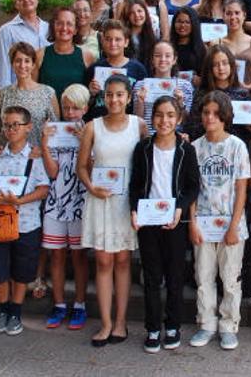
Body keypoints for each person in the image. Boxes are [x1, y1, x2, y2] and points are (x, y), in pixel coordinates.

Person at [78, 75, 146, 346]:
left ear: (129, 98)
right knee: (104, 261)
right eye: (109, 95)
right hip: (101, 199)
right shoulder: (92, 127)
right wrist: (91, 187)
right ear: (102, 97)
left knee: (122, 261)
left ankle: (121, 322)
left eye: (120, 95)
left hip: (126, 203)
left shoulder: (138, 125)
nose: (114, 100)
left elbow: (147, 162)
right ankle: (105, 323)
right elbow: (81, 166)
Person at [130, 95, 200, 353]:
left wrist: (180, 207)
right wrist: (134, 210)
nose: (164, 120)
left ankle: (172, 326)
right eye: (159, 114)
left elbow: (194, 187)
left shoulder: (186, 150)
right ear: (152, 118)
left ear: (179, 119)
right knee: (151, 277)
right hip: (148, 221)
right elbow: (135, 185)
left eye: (170, 115)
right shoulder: (144, 148)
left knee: (174, 277)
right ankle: (151, 328)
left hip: (175, 222)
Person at [188, 91, 251, 350]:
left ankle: (228, 325)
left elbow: (241, 189)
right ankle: (206, 324)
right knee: (203, 276)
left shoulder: (237, 146)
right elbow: (191, 189)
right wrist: (191, 222)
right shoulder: (194, 147)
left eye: (216, 113)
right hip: (202, 223)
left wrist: (234, 226)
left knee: (230, 277)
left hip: (230, 224)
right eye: (206, 113)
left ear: (225, 115)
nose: (210, 117)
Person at [0, 106, 51, 337]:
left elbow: (43, 189)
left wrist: (19, 200)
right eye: (7, 125)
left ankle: (16, 313)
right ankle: (3, 310)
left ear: (28, 127)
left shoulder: (35, 155)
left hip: (26, 222)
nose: (11, 129)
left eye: (16, 125)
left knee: (22, 270)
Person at [39, 84, 89, 331]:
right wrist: (46, 144)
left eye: (76, 108)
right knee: (56, 254)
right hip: (56, 200)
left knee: (79, 255)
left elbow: (94, 168)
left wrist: (86, 145)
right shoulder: (55, 131)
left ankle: (80, 304)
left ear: (85, 108)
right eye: (67, 107)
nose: (70, 113)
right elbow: (52, 171)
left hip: (80, 201)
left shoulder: (91, 130)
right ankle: (59, 304)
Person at [0, 42, 59, 152]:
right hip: (9, 158)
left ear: (33, 64)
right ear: (12, 64)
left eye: (27, 61)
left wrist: (44, 150)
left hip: (38, 157)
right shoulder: (2, 94)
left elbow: (56, 129)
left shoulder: (48, 93)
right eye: (18, 61)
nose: (22, 65)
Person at [85, 19, 148, 120]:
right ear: (102, 41)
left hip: (127, 124)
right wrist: (91, 94)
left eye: (118, 39)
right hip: (98, 122)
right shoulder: (93, 69)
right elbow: (84, 105)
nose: (113, 43)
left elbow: (144, 103)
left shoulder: (138, 69)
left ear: (126, 42)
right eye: (108, 39)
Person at [36, 8, 96, 104]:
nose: (64, 28)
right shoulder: (40, 55)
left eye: (69, 24)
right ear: (53, 26)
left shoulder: (87, 57)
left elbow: (92, 92)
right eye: (59, 23)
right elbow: (32, 90)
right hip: (47, 117)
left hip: (76, 116)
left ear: (76, 29)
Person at [0, 0, 49, 89]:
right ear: (16, 4)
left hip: (46, 92)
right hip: (20, 92)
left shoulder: (48, 28)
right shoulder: (7, 31)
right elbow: (2, 70)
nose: (26, 0)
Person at [133, 41, 194, 133]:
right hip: (147, 137)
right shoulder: (141, 85)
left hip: (173, 138)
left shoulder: (185, 86)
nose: (163, 59)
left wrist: (180, 103)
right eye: (157, 55)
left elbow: (186, 122)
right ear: (152, 59)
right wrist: (140, 102)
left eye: (168, 56)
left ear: (174, 59)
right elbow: (138, 120)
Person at [217, 0, 251, 94]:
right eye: (228, 13)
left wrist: (248, 87)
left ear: (244, 15)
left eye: (237, 13)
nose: (233, 17)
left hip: (247, 101)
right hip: (222, 98)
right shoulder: (217, 43)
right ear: (223, 16)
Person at [170, 6, 207, 82]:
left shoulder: (202, 48)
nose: (182, 25)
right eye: (179, 21)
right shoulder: (168, 46)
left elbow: (206, 74)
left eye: (187, 22)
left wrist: (200, 80)